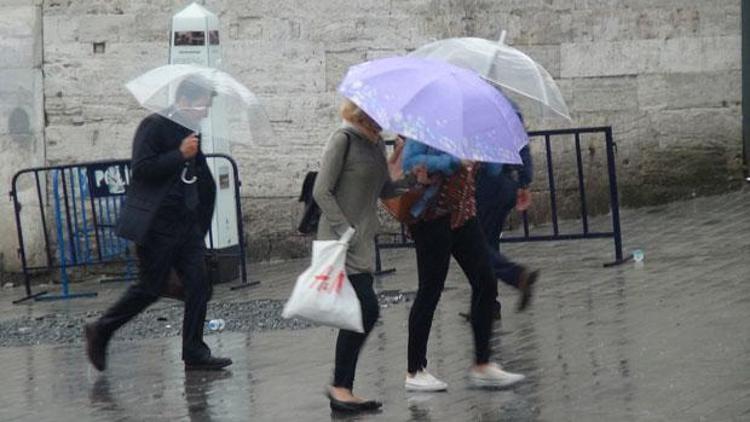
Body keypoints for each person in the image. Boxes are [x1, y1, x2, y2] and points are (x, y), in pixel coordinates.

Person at [84, 77, 232, 372]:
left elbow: (201, 178)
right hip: (156, 225)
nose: (206, 111)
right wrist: (180, 154)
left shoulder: (191, 131)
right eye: (204, 104)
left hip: (185, 224)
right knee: (149, 288)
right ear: (185, 102)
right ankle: (101, 329)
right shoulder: (154, 125)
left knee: (199, 285)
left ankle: (194, 352)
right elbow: (142, 169)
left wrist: (200, 219)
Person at [313, 99, 414, 413]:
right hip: (341, 242)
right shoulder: (342, 139)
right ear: (364, 112)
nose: (386, 117)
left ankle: (343, 388)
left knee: (359, 312)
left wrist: (415, 181)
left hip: (362, 242)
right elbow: (321, 190)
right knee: (366, 308)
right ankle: (340, 387)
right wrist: (346, 229)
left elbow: (385, 190)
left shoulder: (374, 145)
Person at [402, 139, 525, 391]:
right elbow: (410, 162)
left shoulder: (469, 131)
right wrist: (452, 161)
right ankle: (415, 370)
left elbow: (490, 170)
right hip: (432, 216)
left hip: (463, 215)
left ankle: (482, 364)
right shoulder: (427, 129)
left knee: (486, 281)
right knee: (430, 289)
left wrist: (491, 153)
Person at [475, 144, 539, 319]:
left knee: (476, 247)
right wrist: (524, 181)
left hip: (486, 186)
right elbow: (522, 148)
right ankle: (488, 304)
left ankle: (516, 276)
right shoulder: (509, 116)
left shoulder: (472, 118)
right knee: (488, 245)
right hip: (506, 184)